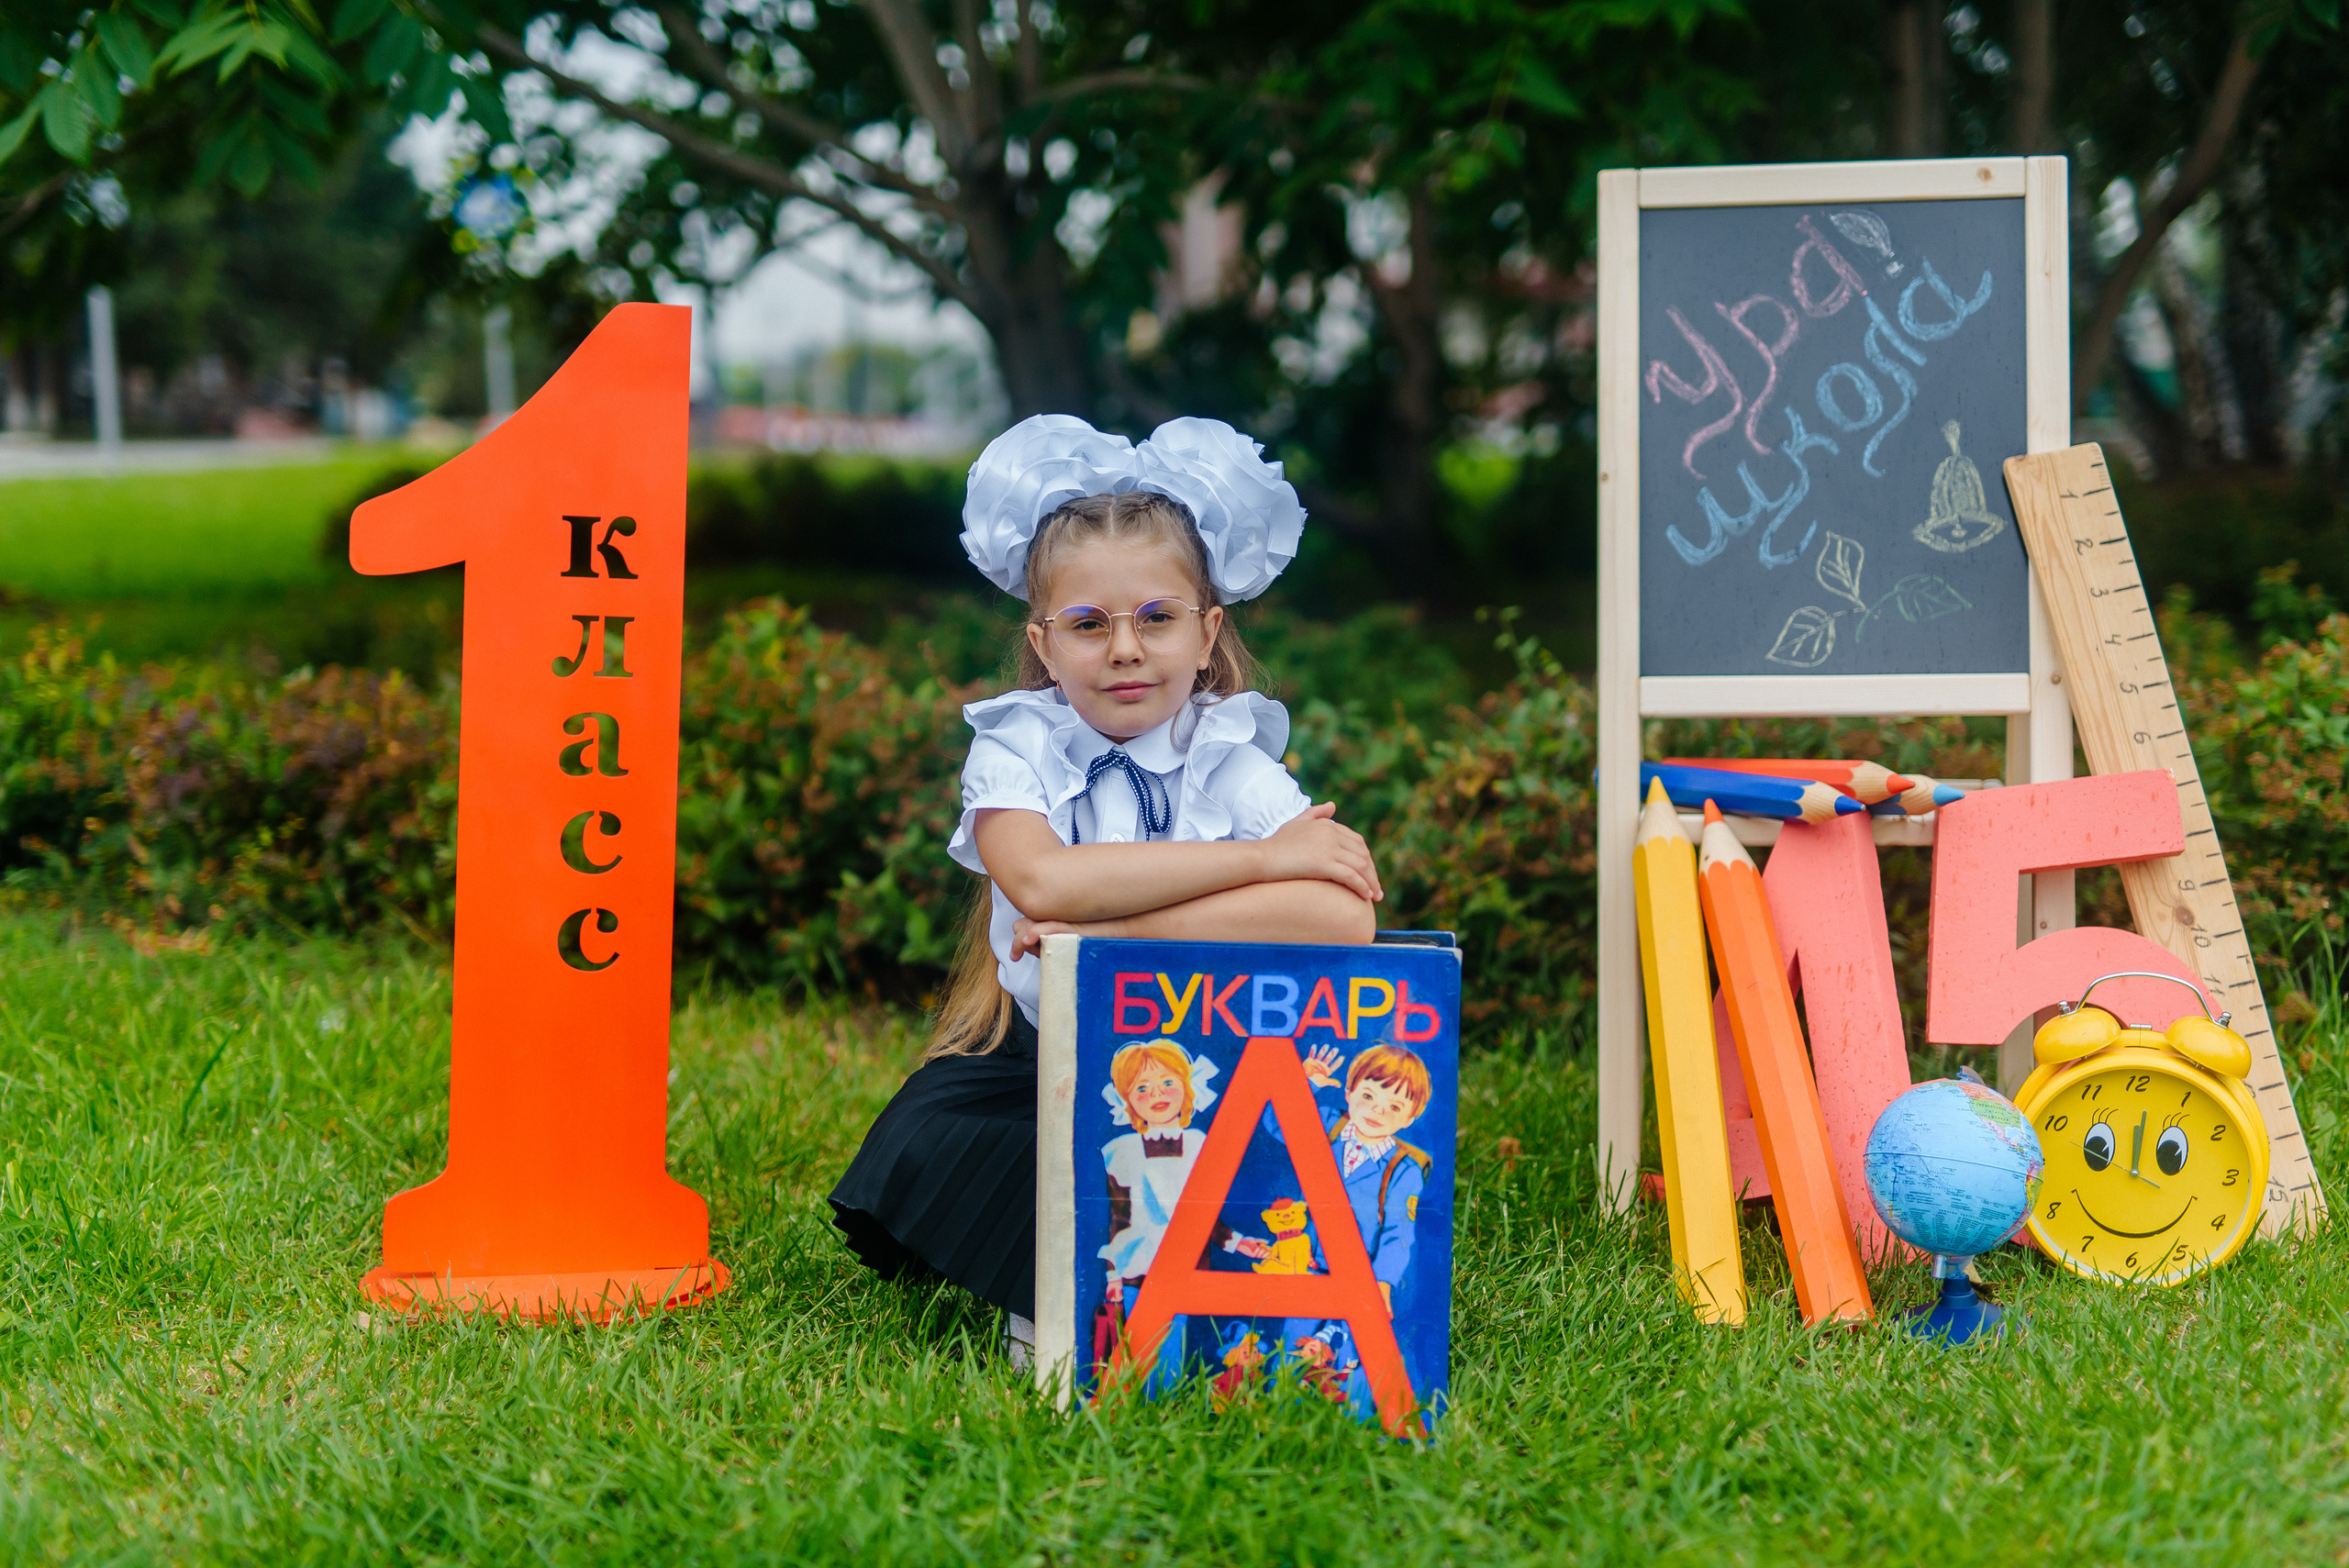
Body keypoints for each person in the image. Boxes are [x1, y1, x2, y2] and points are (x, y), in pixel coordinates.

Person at [828, 413, 1385, 1359]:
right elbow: (1040, 875)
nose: (1124, 647)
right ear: (1043, 643)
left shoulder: (1228, 754)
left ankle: (1186, 1285)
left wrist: (1108, 924)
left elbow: (1341, 914)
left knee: (1212, 1154)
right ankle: (1051, 1290)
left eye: (1157, 618)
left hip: (1212, 1061)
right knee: (943, 1136)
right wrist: (1257, 861)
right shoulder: (1018, 745)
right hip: (1048, 1056)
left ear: (1207, 633)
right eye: (1088, 624)